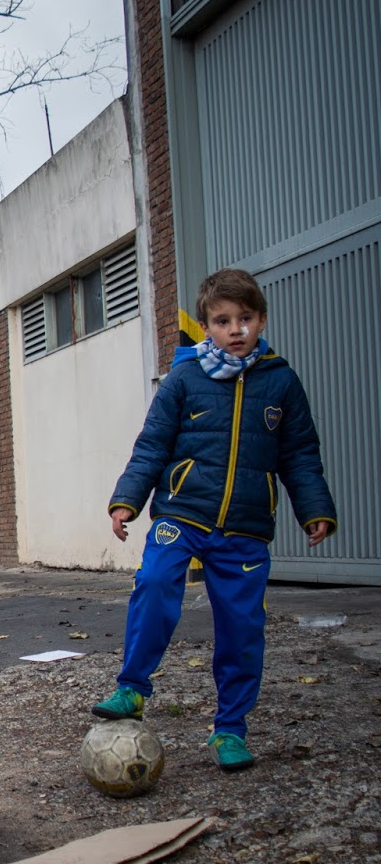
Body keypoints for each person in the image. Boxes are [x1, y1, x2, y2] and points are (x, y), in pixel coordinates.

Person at [96, 269, 337, 772]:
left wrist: (314, 508)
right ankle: (132, 688)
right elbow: (152, 445)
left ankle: (230, 729)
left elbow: (300, 454)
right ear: (206, 326)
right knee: (156, 582)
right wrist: (126, 501)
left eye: (245, 318)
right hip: (182, 513)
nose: (235, 329)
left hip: (245, 526)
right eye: (223, 320)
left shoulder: (281, 381)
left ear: (261, 320)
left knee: (243, 627)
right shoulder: (185, 378)